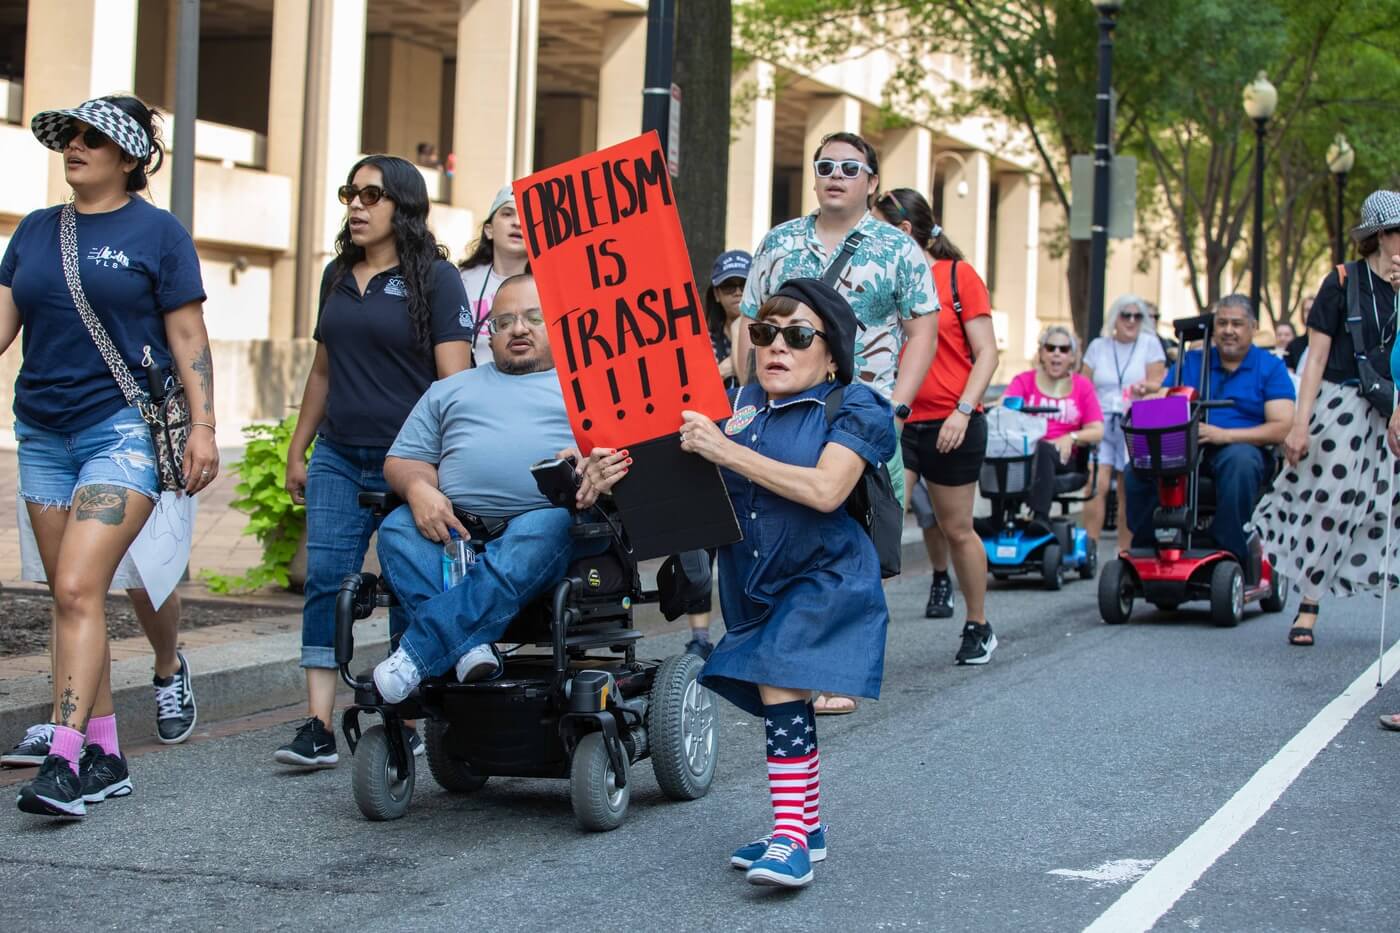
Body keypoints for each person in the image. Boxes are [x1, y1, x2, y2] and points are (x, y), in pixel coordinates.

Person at [583, 278, 896, 889]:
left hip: (824, 575)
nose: (776, 346)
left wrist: (724, 451)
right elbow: (677, 489)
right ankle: (807, 828)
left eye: (797, 335)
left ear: (832, 354)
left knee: (781, 683)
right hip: (753, 581)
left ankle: (788, 839)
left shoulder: (855, 405)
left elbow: (826, 490)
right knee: (785, 698)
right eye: (764, 333)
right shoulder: (733, 404)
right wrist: (607, 474)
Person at [0, 95, 218, 817]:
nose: (77, 146)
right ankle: (105, 755)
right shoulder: (34, 232)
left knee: (74, 587)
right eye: (71, 135)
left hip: (120, 430)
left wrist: (204, 425)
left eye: (94, 138)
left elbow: (188, 337)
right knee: (74, 595)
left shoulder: (157, 232)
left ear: (128, 158)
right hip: (42, 434)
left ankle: (62, 762)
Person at [276, 155, 471, 769]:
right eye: (350, 194)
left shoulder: (437, 280)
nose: (356, 206)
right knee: (326, 583)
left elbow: (454, 381)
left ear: (404, 207)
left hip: (410, 463)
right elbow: (323, 370)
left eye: (372, 196)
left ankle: (403, 715)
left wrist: (448, 466)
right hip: (337, 453)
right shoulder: (337, 273)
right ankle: (316, 724)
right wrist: (298, 446)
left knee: (406, 588)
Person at [733, 131, 936, 715]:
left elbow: (922, 329)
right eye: (825, 165)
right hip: (787, 408)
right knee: (786, 522)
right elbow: (749, 320)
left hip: (862, 412)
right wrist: (746, 398)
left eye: (851, 167)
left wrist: (898, 406)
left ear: (872, 182)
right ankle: (786, 648)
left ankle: (839, 663)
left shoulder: (897, 250)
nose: (836, 175)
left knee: (867, 537)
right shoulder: (780, 242)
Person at [368, 273, 591, 702]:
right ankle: (469, 648)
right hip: (457, 529)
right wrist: (418, 489)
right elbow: (402, 460)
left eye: (533, 317)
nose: (518, 329)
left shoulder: (586, 389)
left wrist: (588, 462)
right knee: (397, 527)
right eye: (504, 321)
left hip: (543, 523)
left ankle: (416, 654)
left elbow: (617, 455)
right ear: (489, 335)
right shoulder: (449, 390)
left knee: (543, 527)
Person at [1260, 191, 1400, 647]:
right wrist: (1300, 423)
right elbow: (1315, 359)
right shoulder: (1342, 282)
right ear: (1381, 236)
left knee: (1390, 506)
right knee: (1329, 503)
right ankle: (1309, 600)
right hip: (1344, 403)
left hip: (1395, 405)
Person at [874, 188, 1001, 664]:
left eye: (877, 226)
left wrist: (963, 411)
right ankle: (860, 636)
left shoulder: (956, 276)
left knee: (956, 528)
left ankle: (978, 624)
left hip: (954, 424)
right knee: (879, 525)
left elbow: (987, 353)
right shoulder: (882, 282)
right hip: (899, 426)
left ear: (904, 231)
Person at [2, 504, 197, 768]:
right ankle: (63, 722)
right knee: (69, 592)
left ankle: (168, 665)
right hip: (54, 467)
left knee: (144, 582)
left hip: (129, 467)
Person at [1129, 295, 1293, 565]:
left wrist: (1224, 435)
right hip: (1187, 446)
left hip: (1241, 448)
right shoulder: (1192, 361)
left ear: (1252, 327)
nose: (1229, 330)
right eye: (1222, 323)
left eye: (1237, 324)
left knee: (1239, 461)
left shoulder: (1270, 366)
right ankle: (1151, 544)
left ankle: (1228, 551)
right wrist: (1150, 400)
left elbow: (1281, 427)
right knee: (1137, 469)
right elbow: (1161, 397)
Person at [685, 249, 753, 660]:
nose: (737, 293)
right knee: (697, 545)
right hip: (700, 443)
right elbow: (689, 388)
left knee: (742, 541)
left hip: (744, 446)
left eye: (744, 285)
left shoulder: (762, 328)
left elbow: (750, 381)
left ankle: (744, 629)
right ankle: (699, 635)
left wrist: (728, 362)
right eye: (729, 286)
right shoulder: (697, 335)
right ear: (715, 291)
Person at [1081, 295, 1167, 547]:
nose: (1131, 321)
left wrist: (1145, 387)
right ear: (1114, 318)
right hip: (1101, 419)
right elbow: (1084, 384)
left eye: (1137, 316)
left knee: (1127, 486)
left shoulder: (1150, 344)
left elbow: (1160, 383)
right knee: (1096, 482)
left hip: (1135, 422)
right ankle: (1090, 547)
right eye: (1125, 315)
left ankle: (1125, 549)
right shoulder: (1099, 346)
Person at [1004, 326, 1105, 527]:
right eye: (1051, 348)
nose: (1056, 353)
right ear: (1041, 353)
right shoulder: (1024, 381)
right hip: (1024, 454)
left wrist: (1071, 437)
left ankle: (1040, 518)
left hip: (1065, 457)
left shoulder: (1082, 386)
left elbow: (1097, 431)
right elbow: (1004, 407)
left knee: (1044, 448)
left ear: (1072, 357)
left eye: (1064, 349)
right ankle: (1002, 520)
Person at [459, 185, 528, 362]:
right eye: (507, 213)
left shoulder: (549, 287)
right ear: (489, 230)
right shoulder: (461, 279)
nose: (518, 222)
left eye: (528, 215)